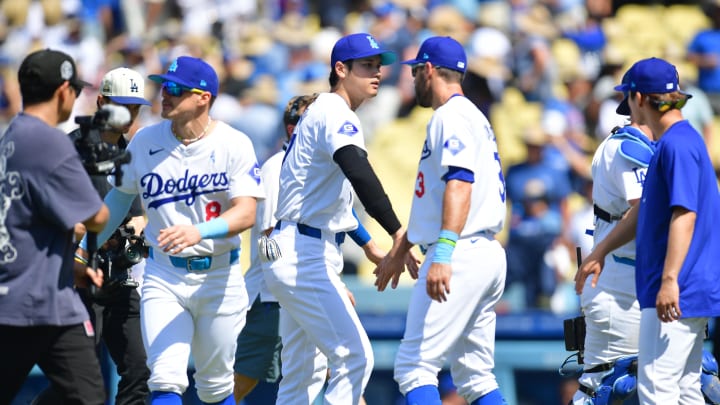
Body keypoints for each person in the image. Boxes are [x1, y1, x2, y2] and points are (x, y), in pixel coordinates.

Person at [76, 55, 264, 405]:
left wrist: (200, 231)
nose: (165, 95)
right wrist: (83, 249)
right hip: (163, 275)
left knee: (216, 387)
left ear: (203, 97)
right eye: (164, 87)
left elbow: (246, 213)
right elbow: (118, 201)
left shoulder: (233, 142)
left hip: (219, 276)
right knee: (163, 377)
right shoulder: (145, 141)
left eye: (176, 89)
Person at [262, 33, 409, 404]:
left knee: (301, 376)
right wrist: (396, 230)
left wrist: (369, 245)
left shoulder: (324, 112)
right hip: (303, 252)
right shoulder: (334, 112)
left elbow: (334, 204)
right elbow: (359, 172)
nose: (376, 73)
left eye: (378, 66)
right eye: (366, 66)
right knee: (354, 357)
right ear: (340, 69)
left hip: (301, 245)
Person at [576, 57, 720, 404]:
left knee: (655, 387)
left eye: (628, 98)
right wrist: (600, 251)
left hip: (677, 286)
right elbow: (645, 212)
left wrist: (669, 279)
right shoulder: (686, 138)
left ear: (639, 98)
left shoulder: (675, 144)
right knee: (687, 388)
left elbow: (684, 215)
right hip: (692, 283)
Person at [374, 36, 508, 405]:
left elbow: (460, 184)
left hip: (459, 250)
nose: (414, 79)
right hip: (482, 250)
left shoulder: (450, 116)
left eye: (416, 71)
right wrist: (402, 246)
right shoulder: (472, 116)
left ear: (429, 70)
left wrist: (445, 252)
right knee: (475, 377)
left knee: (414, 367)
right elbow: (435, 199)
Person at [233, 94, 385, 404]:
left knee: (313, 373)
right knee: (238, 386)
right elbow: (269, 237)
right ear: (293, 129)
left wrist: (368, 244)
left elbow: (341, 213)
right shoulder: (279, 166)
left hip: (297, 281)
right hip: (272, 298)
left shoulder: (317, 167)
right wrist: (299, 280)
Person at [33, 67, 154, 405]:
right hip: (76, 280)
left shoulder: (140, 153)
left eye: (134, 108)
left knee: (141, 372)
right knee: (75, 382)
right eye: (121, 105)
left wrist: (138, 225)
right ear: (100, 101)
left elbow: (142, 213)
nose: (128, 115)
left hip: (120, 278)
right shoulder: (68, 150)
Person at [0, 48, 109, 404]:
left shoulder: (13, 135)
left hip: (49, 298)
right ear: (64, 90)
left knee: (86, 397)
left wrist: (69, 266)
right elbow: (97, 217)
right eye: (75, 90)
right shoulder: (48, 141)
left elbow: (29, 219)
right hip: (28, 303)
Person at [571, 69, 654, 404]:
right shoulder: (624, 148)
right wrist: (599, 253)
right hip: (620, 288)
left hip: (645, 286)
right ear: (639, 100)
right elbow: (645, 208)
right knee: (607, 387)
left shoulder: (664, 147)